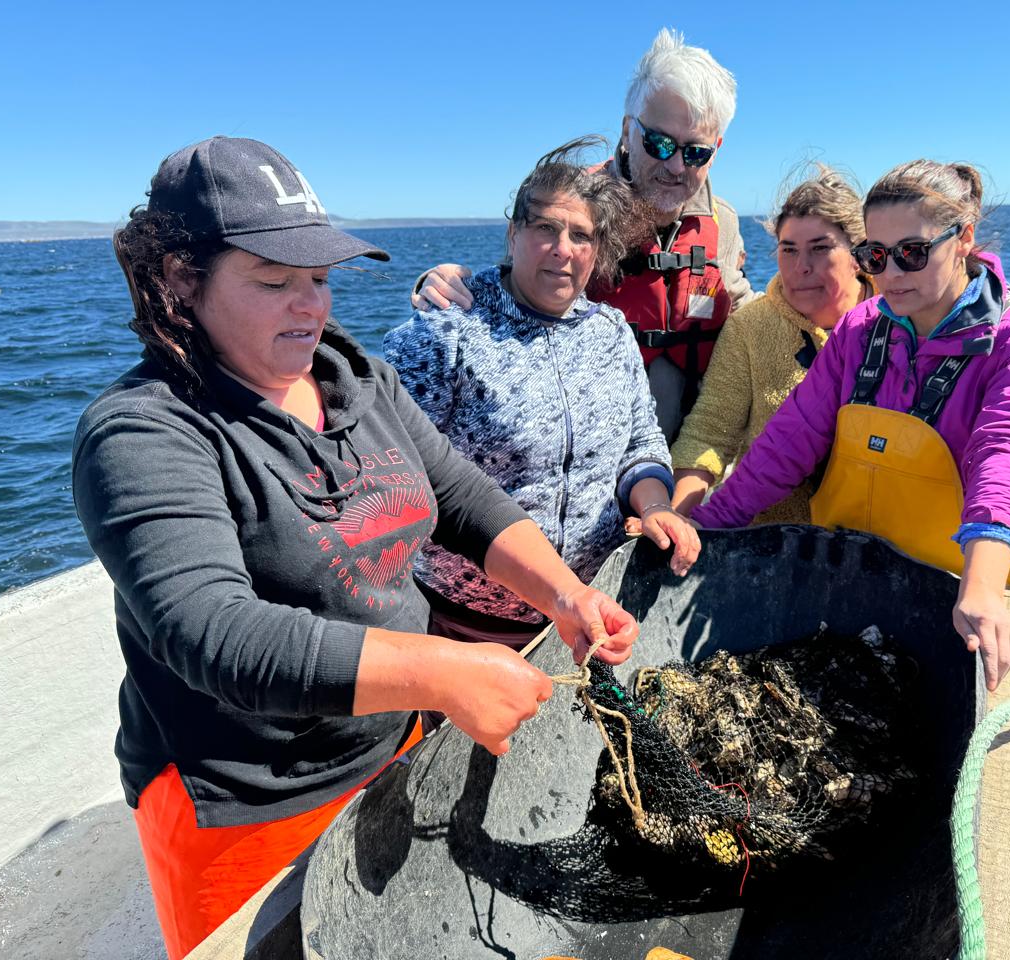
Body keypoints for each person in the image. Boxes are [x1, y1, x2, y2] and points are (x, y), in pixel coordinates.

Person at [72, 136, 640, 959]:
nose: (311, 308)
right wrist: (443, 673)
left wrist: (564, 595)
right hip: (246, 794)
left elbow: (461, 498)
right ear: (178, 282)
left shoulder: (358, 378)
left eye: (321, 280)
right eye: (273, 282)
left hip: (392, 739)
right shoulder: (142, 431)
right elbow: (212, 632)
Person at [693, 159, 1010, 690]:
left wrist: (982, 585)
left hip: (971, 584)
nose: (891, 275)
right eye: (875, 257)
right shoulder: (860, 329)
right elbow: (787, 443)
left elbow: (1007, 452)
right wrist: (705, 525)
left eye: (913, 253)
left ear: (964, 237)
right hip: (858, 583)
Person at [384, 138, 700, 647]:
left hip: (593, 610)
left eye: (581, 234)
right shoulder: (449, 329)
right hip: (465, 623)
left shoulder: (612, 331)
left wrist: (656, 507)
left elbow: (640, 442)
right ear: (512, 235)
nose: (563, 248)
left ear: (598, 252)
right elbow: (392, 478)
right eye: (546, 228)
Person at [412, 29, 758, 441]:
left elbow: (739, 306)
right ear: (628, 129)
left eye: (696, 151)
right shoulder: (572, 206)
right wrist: (443, 283)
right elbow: (511, 289)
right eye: (661, 143)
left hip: (690, 458)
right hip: (589, 461)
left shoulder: (724, 221)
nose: (677, 167)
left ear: (716, 148)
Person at [670, 165, 873, 523]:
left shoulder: (896, 322)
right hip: (771, 543)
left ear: (858, 254)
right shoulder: (751, 328)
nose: (801, 267)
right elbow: (709, 433)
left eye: (820, 248)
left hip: (876, 539)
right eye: (789, 249)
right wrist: (678, 518)